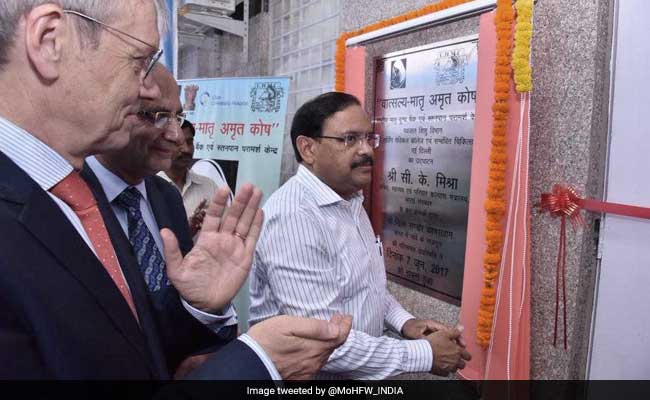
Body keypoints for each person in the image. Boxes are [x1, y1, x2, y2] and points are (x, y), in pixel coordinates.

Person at [0, 1, 350, 379]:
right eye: (140, 61)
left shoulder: (74, 192)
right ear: (50, 39)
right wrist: (254, 367)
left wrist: (198, 307)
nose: (147, 88)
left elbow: (126, 351)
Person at [249, 92, 471, 379]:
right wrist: (426, 354)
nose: (367, 150)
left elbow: (364, 287)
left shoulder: (349, 200)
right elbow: (323, 343)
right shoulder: (294, 217)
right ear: (308, 149)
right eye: (349, 139)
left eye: (369, 138)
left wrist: (406, 323)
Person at [159, 120, 229, 236]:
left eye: (189, 142)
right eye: (178, 143)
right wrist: (187, 230)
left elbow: (225, 230)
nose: (186, 149)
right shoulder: (149, 187)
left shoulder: (208, 186)